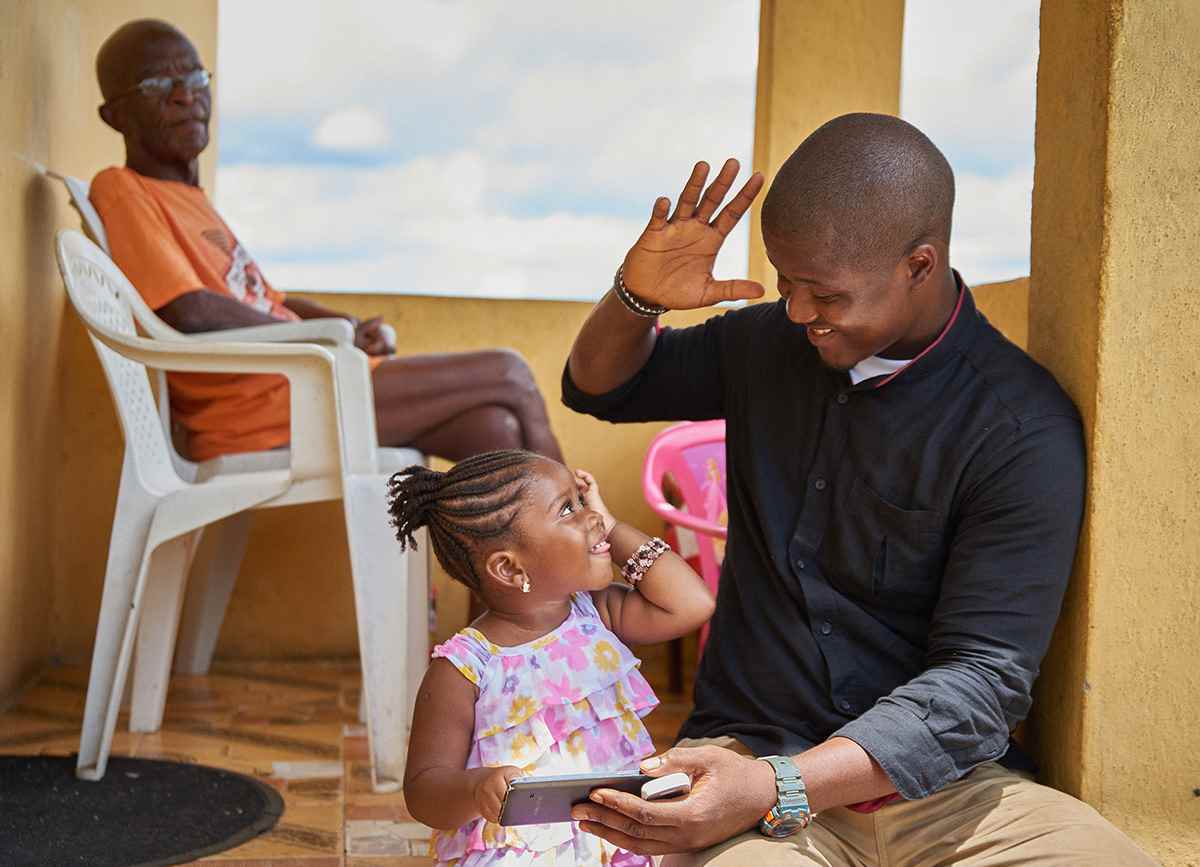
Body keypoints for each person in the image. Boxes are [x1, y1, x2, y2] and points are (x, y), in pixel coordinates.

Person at [562, 114, 1153, 864]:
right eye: (785, 283)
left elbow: (982, 681)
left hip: (949, 793)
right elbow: (600, 387)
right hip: (744, 758)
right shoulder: (767, 343)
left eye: (825, 293)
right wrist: (635, 298)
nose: (799, 311)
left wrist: (782, 782)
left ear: (919, 265)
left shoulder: (1018, 427)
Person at [90, 19, 562, 463]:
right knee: (508, 373)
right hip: (258, 410)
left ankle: (537, 549)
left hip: (303, 383)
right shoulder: (122, 188)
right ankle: (590, 536)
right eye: (156, 85)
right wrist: (329, 338)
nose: (183, 96)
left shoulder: (192, 200)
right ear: (115, 117)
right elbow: (188, 311)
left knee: (494, 431)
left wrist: (349, 326)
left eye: (194, 78)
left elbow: (270, 303)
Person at [388, 449, 715, 865]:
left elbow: (692, 603)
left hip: (613, 847)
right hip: (518, 854)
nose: (590, 515)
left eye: (581, 502)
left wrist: (609, 528)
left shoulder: (596, 613)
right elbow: (423, 791)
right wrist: (476, 788)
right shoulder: (463, 669)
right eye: (567, 509)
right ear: (510, 570)